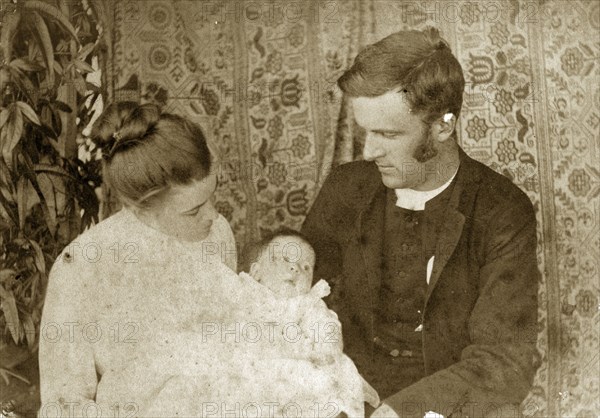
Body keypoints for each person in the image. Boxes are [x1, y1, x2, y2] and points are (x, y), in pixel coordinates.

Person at [301, 27, 540, 418]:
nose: (369, 150)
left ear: (443, 125)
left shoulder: (501, 210)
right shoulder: (346, 188)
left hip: (445, 394)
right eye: (366, 132)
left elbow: (504, 358)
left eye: (388, 133)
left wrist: (402, 410)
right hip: (347, 384)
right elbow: (296, 298)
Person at [38, 102, 239, 417]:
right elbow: (64, 405)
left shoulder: (217, 235)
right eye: (193, 210)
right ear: (141, 206)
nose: (212, 215)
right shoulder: (80, 266)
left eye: (212, 196)